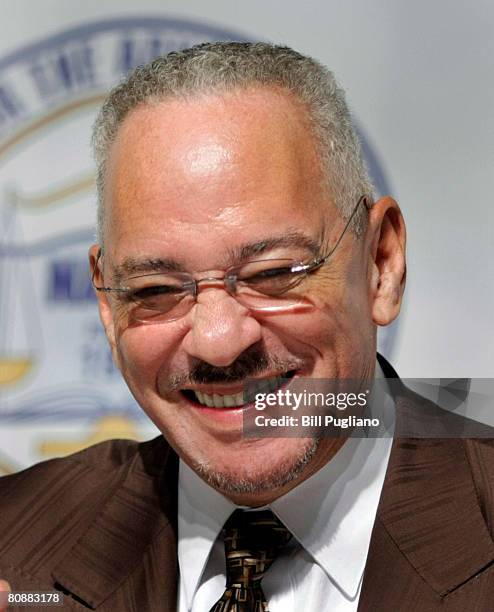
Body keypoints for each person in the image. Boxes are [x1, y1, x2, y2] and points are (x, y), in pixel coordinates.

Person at [1, 42, 493, 612]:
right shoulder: (14, 550)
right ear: (108, 304)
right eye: (157, 288)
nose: (218, 341)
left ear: (380, 264)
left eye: (273, 273)